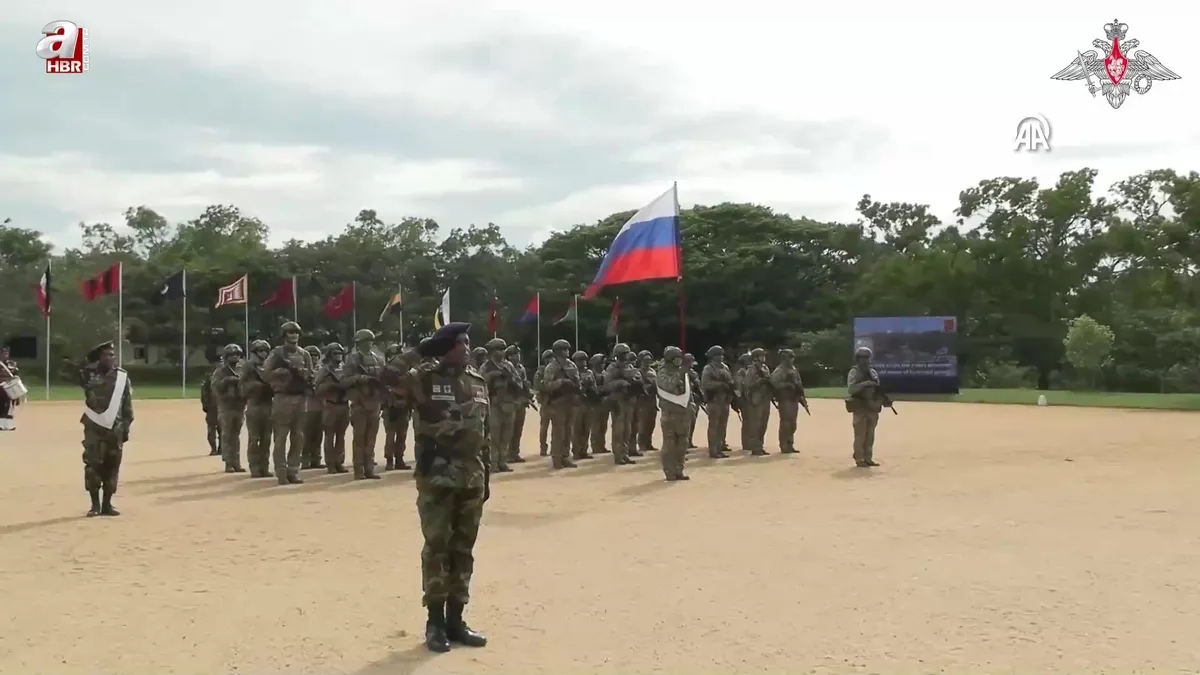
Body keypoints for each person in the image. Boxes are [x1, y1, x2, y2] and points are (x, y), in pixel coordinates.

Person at [396, 322, 489, 653]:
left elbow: (484, 434)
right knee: (437, 549)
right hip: (437, 476)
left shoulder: (477, 380)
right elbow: (386, 378)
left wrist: (486, 477)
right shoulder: (423, 377)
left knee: (463, 550)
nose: (466, 347)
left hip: (471, 477)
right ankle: (434, 623)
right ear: (444, 347)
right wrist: (421, 351)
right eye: (459, 343)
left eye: (467, 342)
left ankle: (456, 620)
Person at [79, 341, 133, 517]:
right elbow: (69, 372)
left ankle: (107, 504)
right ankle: (94, 505)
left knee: (112, 466)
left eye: (112, 355)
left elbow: (127, 404)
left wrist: (126, 427)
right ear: (98, 358)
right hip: (94, 428)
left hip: (115, 428)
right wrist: (89, 362)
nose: (110, 358)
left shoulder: (122, 377)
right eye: (105, 355)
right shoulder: (88, 375)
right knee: (93, 466)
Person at [263, 322, 314, 485]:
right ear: (284, 335)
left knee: (298, 436)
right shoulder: (277, 354)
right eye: (290, 333)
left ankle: (293, 470)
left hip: (301, 397)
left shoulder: (304, 354)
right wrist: (279, 373)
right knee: (281, 436)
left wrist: (305, 375)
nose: (294, 336)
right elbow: (265, 373)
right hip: (283, 397)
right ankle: (281, 472)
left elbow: (312, 374)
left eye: (296, 333)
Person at [343, 329, 384, 479]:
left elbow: (383, 380)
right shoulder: (352, 360)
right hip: (359, 403)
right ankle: (359, 470)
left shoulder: (378, 360)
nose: (368, 344)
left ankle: (369, 469)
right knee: (359, 439)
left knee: (371, 439)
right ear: (359, 343)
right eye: (365, 341)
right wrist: (360, 378)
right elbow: (345, 381)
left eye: (370, 341)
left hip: (374, 403)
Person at [479, 338, 518, 473]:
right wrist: (492, 376)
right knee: (494, 436)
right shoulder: (486, 367)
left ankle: (503, 461)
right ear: (492, 351)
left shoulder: (509, 366)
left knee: (506, 435)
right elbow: (480, 384)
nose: (501, 352)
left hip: (508, 403)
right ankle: (493, 463)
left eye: (503, 349)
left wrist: (510, 379)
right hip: (494, 404)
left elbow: (517, 382)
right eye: (498, 349)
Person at [542, 339, 581, 470]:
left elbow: (577, 382)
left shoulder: (571, 365)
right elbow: (546, 385)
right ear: (557, 352)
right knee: (558, 432)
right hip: (557, 403)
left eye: (567, 349)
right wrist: (561, 382)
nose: (566, 351)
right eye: (563, 349)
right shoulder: (552, 367)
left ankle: (565, 456)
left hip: (570, 402)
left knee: (568, 431)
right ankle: (557, 459)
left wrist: (576, 387)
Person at [239, 339, 275, 478]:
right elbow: (242, 387)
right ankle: (254, 466)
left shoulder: (269, 366)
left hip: (268, 403)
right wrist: (257, 386)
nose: (263, 353)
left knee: (266, 438)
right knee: (254, 438)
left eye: (265, 350)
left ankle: (264, 466)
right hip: (254, 404)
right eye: (260, 350)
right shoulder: (248, 366)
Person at [846, 346, 886, 467]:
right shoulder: (854, 372)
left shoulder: (872, 372)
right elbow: (851, 389)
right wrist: (865, 384)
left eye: (867, 358)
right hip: (860, 406)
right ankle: (859, 458)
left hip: (872, 407)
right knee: (860, 434)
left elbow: (877, 389)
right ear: (857, 359)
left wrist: (882, 400)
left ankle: (868, 457)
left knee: (870, 434)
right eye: (863, 358)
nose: (866, 360)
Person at [656, 346, 692, 481]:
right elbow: (669, 386)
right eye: (677, 358)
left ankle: (679, 470)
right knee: (670, 444)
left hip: (683, 414)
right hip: (670, 414)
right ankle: (669, 472)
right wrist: (681, 373)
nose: (679, 361)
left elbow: (688, 392)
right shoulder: (663, 373)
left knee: (682, 444)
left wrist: (691, 405)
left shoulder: (683, 372)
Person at [315, 342, 350, 474]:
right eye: (335, 353)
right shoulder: (324, 370)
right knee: (329, 436)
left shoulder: (345, 369)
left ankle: (339, 462)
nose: (338, 356)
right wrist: (330, 386)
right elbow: (317, 388)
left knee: (341, 436)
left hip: (344, 404)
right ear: (329, 354)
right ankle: (330, 463)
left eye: (340, 353)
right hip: (331, 405)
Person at [212, 344, 247, 473]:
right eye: (232, 355)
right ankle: (228, 462)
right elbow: (215, 388)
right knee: (227, 435)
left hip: (239, 406)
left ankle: (236, 462)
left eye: (237, 354)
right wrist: (226, 381)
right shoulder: (220, 371)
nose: (235, 357)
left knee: (236, 436)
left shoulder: (242, 369)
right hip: (226, 407)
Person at [603, 343, 638, 465]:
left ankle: (625, 453)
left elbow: (638, 379)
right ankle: (618, 455)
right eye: (623, 354)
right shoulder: (612, 368)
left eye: (627, 353)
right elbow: (606, 385)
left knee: (627, 430)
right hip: (618, 401)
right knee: (619, 430)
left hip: (629, 401)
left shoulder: (630, 367)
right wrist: (620, 382)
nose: (626, 356)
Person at [382, 343, 413, 471]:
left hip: (404, 407)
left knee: (402, 435)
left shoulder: (407, 371)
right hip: (391, 407)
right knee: (390, 435)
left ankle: (399, 459)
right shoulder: (386, 372)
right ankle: (389, 460)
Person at [700, 346, 734, 458]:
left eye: (721, 354)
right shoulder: (708, 369)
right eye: (717, 355)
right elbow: (705, 384)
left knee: (722, 426)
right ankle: (713, 450)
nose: (721, 357)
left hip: (724, 400)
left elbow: (730, 381)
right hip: (714, 400)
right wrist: (719, 384)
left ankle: (720, 447)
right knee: (714, 426)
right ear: (712, 357)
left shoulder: (725, 367)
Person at [769, 348, 805, 454]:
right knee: (786, 423)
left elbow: (798, 382)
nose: (792, 359)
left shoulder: (793, 369)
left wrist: (800, 395)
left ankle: (790, 444)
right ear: (784, 359)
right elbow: (774, 383)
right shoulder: (780, 370)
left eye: (792, 357)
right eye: (790, 357)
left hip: (793, 399)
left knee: (793, 424)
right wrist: (787, 385)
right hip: (785, 399)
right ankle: (784, 444)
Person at [742, 348, 772, 455]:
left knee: (764, 424)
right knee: (756, 425)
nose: (763, 357)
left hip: (765, 398)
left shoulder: (765, 368)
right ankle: (755, 447)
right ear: (755, 357)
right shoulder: (752, 370)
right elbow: (748, 384)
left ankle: (760, 446)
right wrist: (761, 381)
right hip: (756, 399)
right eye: (761, 355)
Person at [505, 344, 531, 464]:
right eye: (514, 354)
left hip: (521, 402)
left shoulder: (521, 368)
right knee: (508, 430)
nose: (517, 356)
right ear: (509, 356)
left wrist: (528, 394)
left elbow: (524, 384)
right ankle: (506, 454)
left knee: (518, 429)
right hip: (510, 401)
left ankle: (515, 453)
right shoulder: (505, 367)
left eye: (518, 354)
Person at [571, 350, 598, 460]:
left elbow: (595, 387)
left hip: (588, 404)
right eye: (580, 360)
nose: (582, 362)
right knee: (577, 429)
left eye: (584, 360)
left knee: (586, 429)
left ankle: (584, 450)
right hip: (577, 404)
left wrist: (590, 387)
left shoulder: (589, 373)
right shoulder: (572, 372)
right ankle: (577, 452)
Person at [302, 345, 326, 469]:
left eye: (316, 356)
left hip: (321, 406)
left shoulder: (322, 370)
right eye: (311, 356)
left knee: (318, 436)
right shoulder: (303, 371)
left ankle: (316, 459)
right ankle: (305, 460)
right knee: (306, 436)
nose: (314, 358)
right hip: (307, 407)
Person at [588, 354, 610, 454]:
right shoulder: (591, 374)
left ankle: (602, 446)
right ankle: (595, 446)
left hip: (604, 403)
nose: (602, 365)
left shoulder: (606, 373)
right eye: (600, 363)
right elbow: (593, 389)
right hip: (595, 403)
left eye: (603, 363)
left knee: (603, 426)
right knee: (596, 426)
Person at [533, 349, 553, 456]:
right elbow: (537, 387)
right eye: (548, 358)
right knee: (544, 426)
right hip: (545, 402)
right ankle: (543, 448)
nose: (550, 360)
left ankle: (555, 448)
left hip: (556, 402)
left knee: (557, 427)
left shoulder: (556, 369)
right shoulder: (540, 372)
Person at [199, 366, 221, 455]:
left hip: (222, 406)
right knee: (212, 428)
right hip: (213, 406)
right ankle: (214, 448)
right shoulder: (209, 376)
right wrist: (205, 404)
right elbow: (204, 391)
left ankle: (219, 449)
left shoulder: (223, 374)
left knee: (222, 429)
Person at [682, 353, 702, 449]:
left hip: (695, 400)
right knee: (685, 424)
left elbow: (698, 385)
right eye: (689, 362)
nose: (691, 364)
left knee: (692, 422)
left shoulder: (693, 373)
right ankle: (684, 444)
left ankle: (689, 441)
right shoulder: (681, 373)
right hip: (685, 401)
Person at [0, 347, 20, 431]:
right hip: (0, 388)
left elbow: (16, 376)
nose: (5, 355)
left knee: (9, 406)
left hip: (9, 389)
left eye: (7, 353)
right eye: (3, 353)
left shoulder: (12, 364)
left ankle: (8, 424)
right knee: (1, 406)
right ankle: (1, 424)